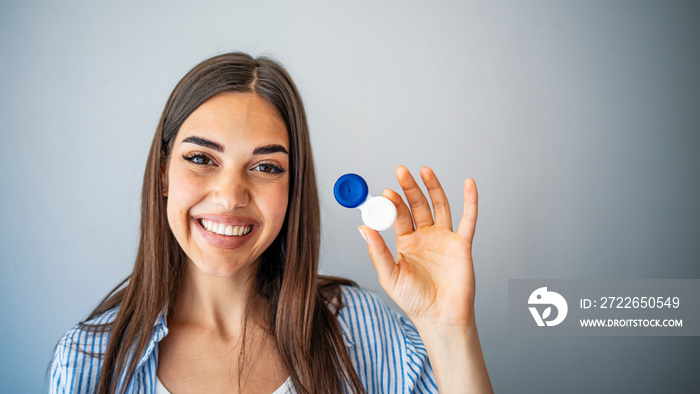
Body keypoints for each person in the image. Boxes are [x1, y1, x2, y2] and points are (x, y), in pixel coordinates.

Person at [49, 52, 493, 394]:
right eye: (201, 159)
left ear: (292, 186)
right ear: (164, 173)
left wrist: (448, 328)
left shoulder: (362, 330)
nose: (229, 196)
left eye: (265, 167)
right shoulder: (89, 359)